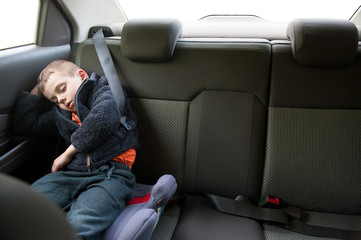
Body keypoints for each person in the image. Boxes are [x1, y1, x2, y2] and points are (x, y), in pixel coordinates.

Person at [12, 60, 140, 240]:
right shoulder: (61, 113)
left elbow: (103, 120)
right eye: (54, 99)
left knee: (81, 222)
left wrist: (68, 153)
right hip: (73, 173)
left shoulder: (104, 88)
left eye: (62, 88)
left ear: (81, 75)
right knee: (27, 204)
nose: (61, 99)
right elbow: (26, 124)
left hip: (112, 174)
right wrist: (39, 91)